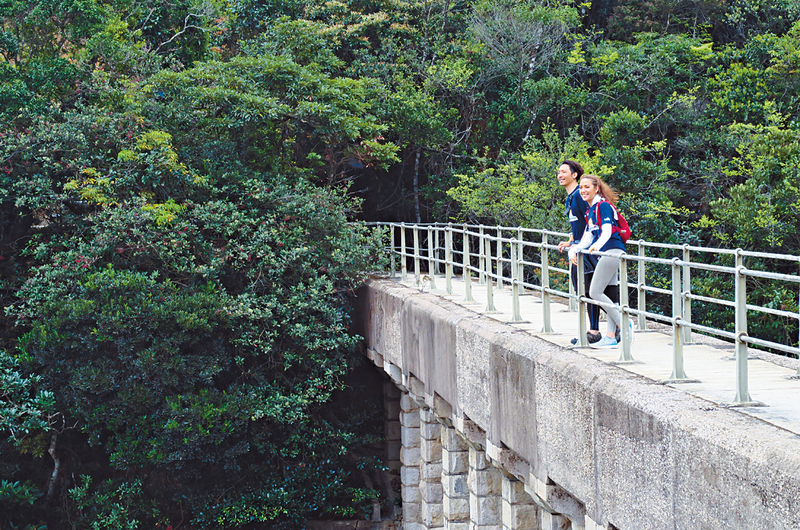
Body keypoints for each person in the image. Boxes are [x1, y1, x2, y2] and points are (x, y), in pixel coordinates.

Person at [556, 161, 618, 345]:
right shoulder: (572, 197)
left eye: (563, 172)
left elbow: (591, 225)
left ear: (574, 175)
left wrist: (580, 245)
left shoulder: (579, 197)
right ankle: (608, 329)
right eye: (558, 172)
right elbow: (582, 225)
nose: (559, 175)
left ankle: (597, 330)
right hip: (582, 247)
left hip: (589, 250)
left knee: (590, 290)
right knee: (588, 290)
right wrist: (571, 240)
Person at [568, 174, 633, 349]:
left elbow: (606, 231)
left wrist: (596, 247)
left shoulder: (603, 206)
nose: (583, 190)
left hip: (612, 251)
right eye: (581, 187)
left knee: (595, 292)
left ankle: (624, 324)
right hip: (604, 253)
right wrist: (574, 249)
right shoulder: (591, 210)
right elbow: (587, 237)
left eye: (587, 187)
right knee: (610, 294)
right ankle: (611, 336)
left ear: (596, 188)